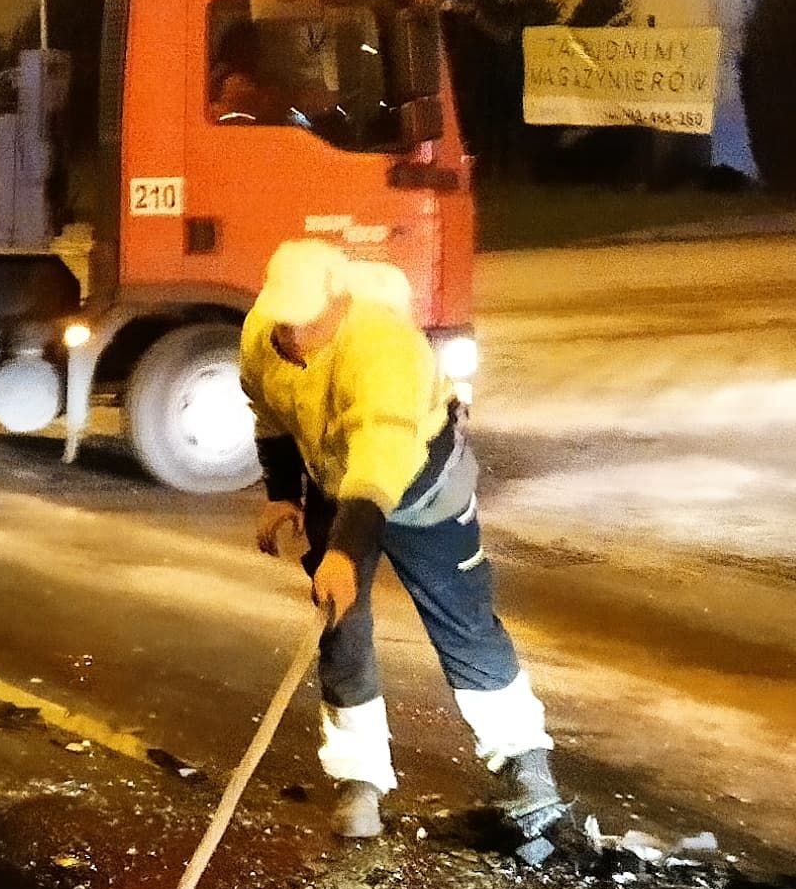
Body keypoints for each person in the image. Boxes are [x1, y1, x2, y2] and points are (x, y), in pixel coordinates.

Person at [240, 240, 567, 841]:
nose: (296, 333)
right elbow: (269, 413)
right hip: (336, 485)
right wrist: (282, 492)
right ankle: (359, 776)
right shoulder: (264, 333)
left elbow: (382, 454)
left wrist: (344, 550)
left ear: (339, 302)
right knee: (340, 629)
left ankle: (524, 761)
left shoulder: (383, 345)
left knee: (463, 622)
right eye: (286, 318)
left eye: (309, 321)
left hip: (420, 490)